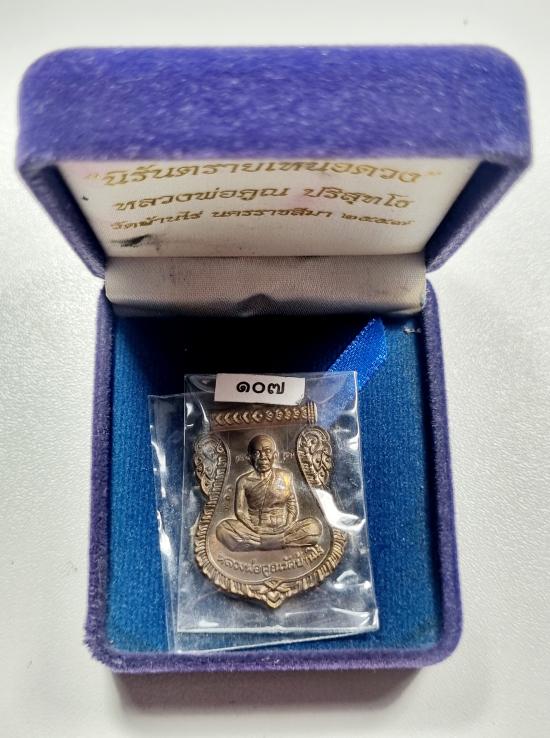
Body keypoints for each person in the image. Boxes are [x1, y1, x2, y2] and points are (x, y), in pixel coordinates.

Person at [216, 434, 322, 552]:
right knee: (222, 529)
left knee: (314, 527)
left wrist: (287, 525)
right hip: (255, 530)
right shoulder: (244, 481)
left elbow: (292, 506)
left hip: (283, 529)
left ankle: (260, 544)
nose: (263, 457)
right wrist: (254, 528)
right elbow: (240, 511)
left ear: (275, 455)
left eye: (267, 451)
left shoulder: (285, 476)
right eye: (257, 453)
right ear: (249, 458)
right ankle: (279, 542)